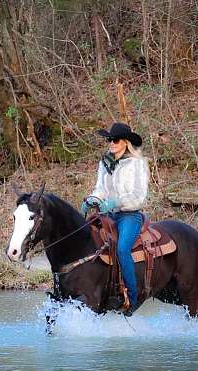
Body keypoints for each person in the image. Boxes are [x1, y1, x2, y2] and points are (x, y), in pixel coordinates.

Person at [81, 122, 149, 316]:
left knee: (121, 248)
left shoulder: (138, 164)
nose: (111, 143)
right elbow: (100, 189)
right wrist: (91, 200)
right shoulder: (105, 162)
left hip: (129, 215)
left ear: (125, 142)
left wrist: (114, 202)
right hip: (107, 214)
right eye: (109, 139)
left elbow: (138, 195)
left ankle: (132, 298)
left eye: (115, 139)